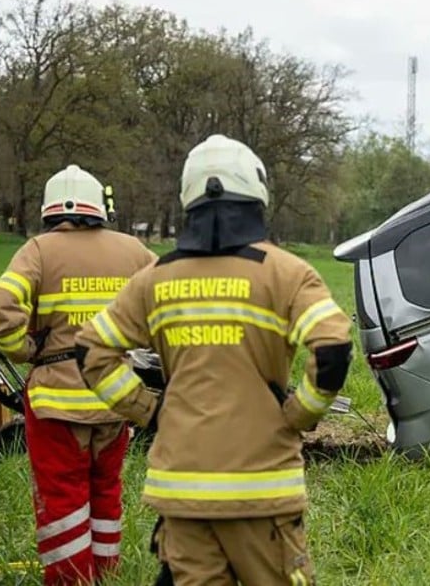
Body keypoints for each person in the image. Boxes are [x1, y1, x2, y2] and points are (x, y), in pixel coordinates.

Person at [74, 134, 353, 585]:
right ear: (255, 191)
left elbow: (92, 350)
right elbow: (334, 347)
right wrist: (300, 413)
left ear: (189, 198)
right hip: (263, 494)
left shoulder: (154, 279)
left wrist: (151, 411)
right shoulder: (286, 272)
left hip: (181, 493)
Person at [0, 165, 157, 585]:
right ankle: (106, 574)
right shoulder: (134, 250)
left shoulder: (39, 250)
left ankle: (70, 579)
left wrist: (25, 350)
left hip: (58, 402)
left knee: (63, 498)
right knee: (105, 490)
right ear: (99, 206)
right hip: (116, 398)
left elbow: (0, 307)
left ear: (49, 208)